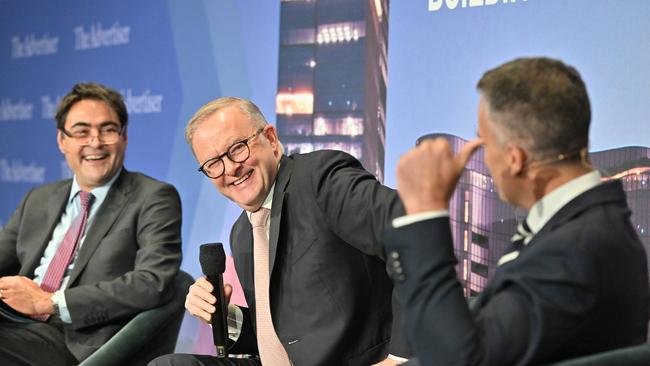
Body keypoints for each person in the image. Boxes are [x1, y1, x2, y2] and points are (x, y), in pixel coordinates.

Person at [385, 57, 649, 365]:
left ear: (514, 158)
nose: (482, 156)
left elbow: (461, 360)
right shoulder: (582, 227)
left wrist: (424, 214)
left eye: (485, 143)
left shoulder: (574, 251)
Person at [150, 97, 409, 366]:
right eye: (213, 164)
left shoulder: (321, 179)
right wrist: (223, 316)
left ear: (271, 139)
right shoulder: (242, 232)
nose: (230, 169)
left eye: (237, 149)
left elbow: (413, 231)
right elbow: (288, 336)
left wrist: (400, 357)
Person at [0, 82, 183, 365]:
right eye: (82, 131)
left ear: (124, 137)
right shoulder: (38, 199)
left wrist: (50, 303)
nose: (95, 142)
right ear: (62, 141)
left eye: (108, 130)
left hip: (74, 341)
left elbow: (152, 282)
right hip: (14, 322)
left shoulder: (154, 198)